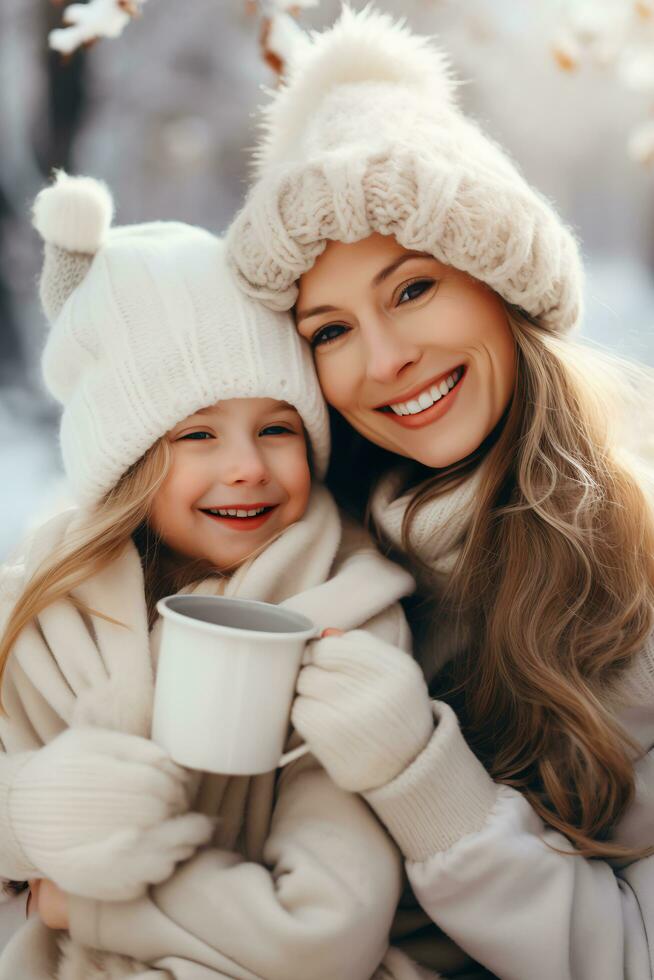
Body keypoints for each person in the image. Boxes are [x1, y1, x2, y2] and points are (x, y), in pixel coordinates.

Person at [226, 7, 654, 979]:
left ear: (502, 286)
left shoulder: (637, 569)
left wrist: (422, 778)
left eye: (413, 288)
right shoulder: (304, 565)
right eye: (328, 329)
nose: (384, 359)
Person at [0, 170, 431, 980]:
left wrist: (72, 902)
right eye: (197, 436)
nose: (246, 468)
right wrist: (27, 815)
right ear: (122, 459)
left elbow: (326, 930)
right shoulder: (38, 607)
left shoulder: (348, 617)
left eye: (277, 428)